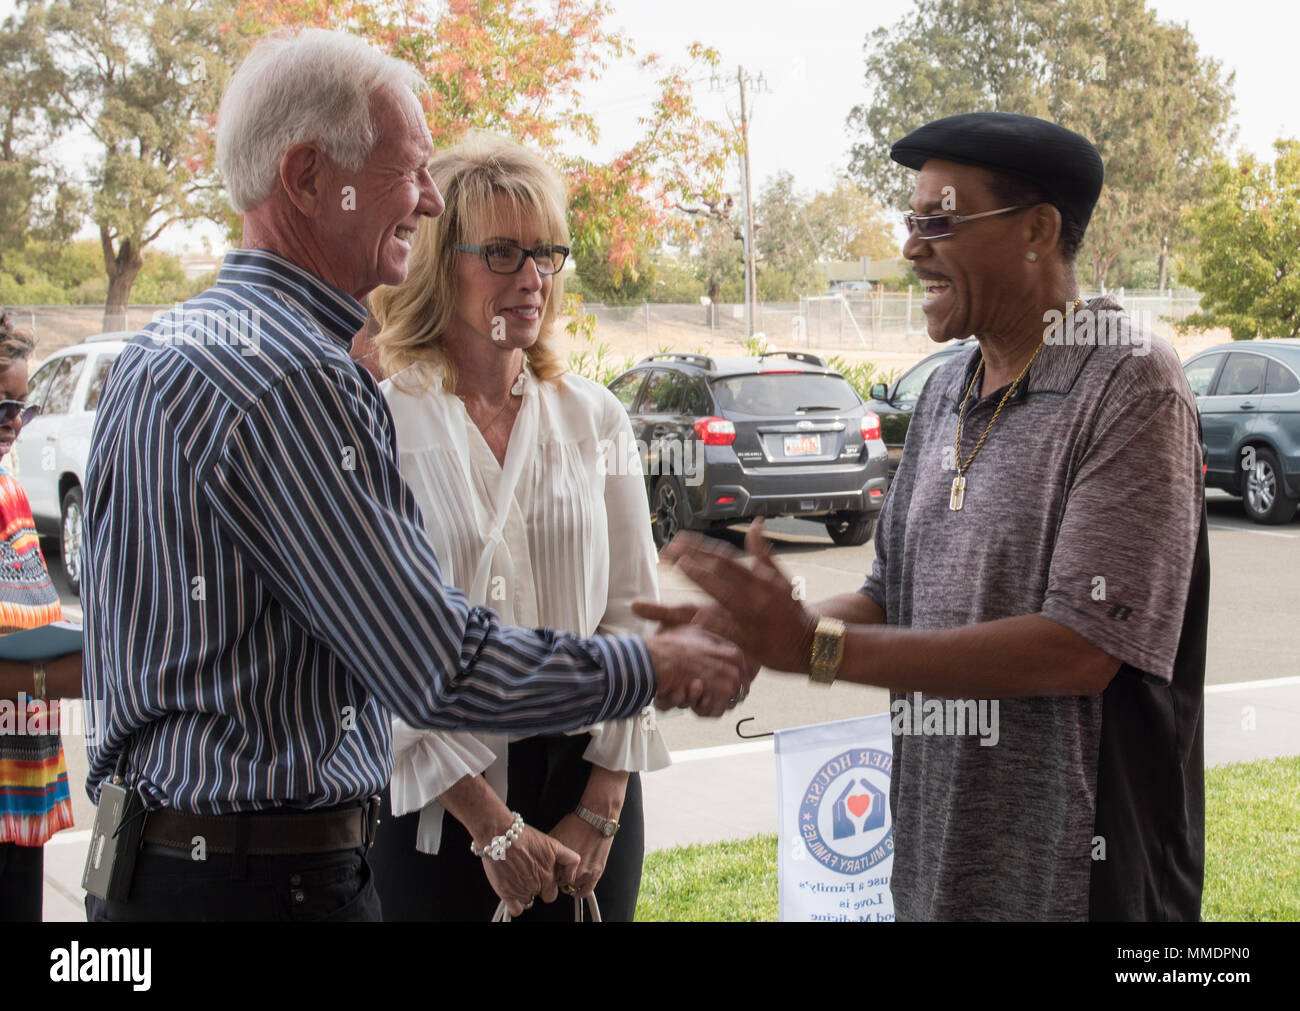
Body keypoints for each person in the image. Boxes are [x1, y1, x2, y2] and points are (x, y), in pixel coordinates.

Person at [80, 28, 746, 923]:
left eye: (546, 251)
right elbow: (430, 661)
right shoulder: (304, 378)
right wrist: (657, 663)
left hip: (149, 871)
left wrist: (603, 792)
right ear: (310, 176)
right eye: (410, 170)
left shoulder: (161, 350)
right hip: (267, 884)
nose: (427, 201)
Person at [638, 112, 1208, 922]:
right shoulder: (945, 389)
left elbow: (1080, 648)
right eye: (911, 222)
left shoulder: (1130, 383)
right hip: (938, 865)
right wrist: (741, 633)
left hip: (1078, 883)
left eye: (938, 221)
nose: (911, 248)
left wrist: (813, 648)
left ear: (1037, 231)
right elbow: (885, 594)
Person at [366, 133, 670, 921]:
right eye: (501, 252)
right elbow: (377, 643)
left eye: (545, 254)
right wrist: (491, 827)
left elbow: (635, 614)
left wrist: (603, 798)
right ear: (441, 263)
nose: (531, 278)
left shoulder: (595, 415)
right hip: (437, 801)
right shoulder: (382, 423)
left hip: (589, 784)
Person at [0, 312, 84, 921]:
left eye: (22, 408)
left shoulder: (12, 493)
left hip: (19, 786)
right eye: (1, 405)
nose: (14, 424)